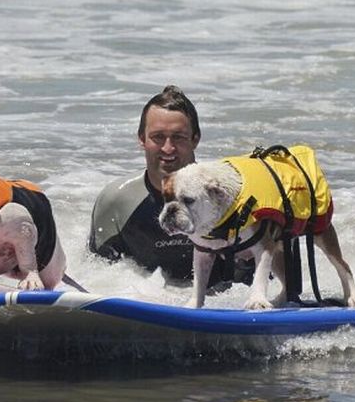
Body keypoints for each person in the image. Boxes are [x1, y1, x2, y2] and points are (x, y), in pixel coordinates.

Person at [88, 85, 253, 288]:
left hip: (220, 307)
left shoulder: (229, 197)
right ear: (142, 139)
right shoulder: (115, 201)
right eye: (158, 137)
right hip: (145, 304)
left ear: (195, 139)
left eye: (178, 137)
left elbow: (268, 277)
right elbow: (96, 277)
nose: (168, 148)